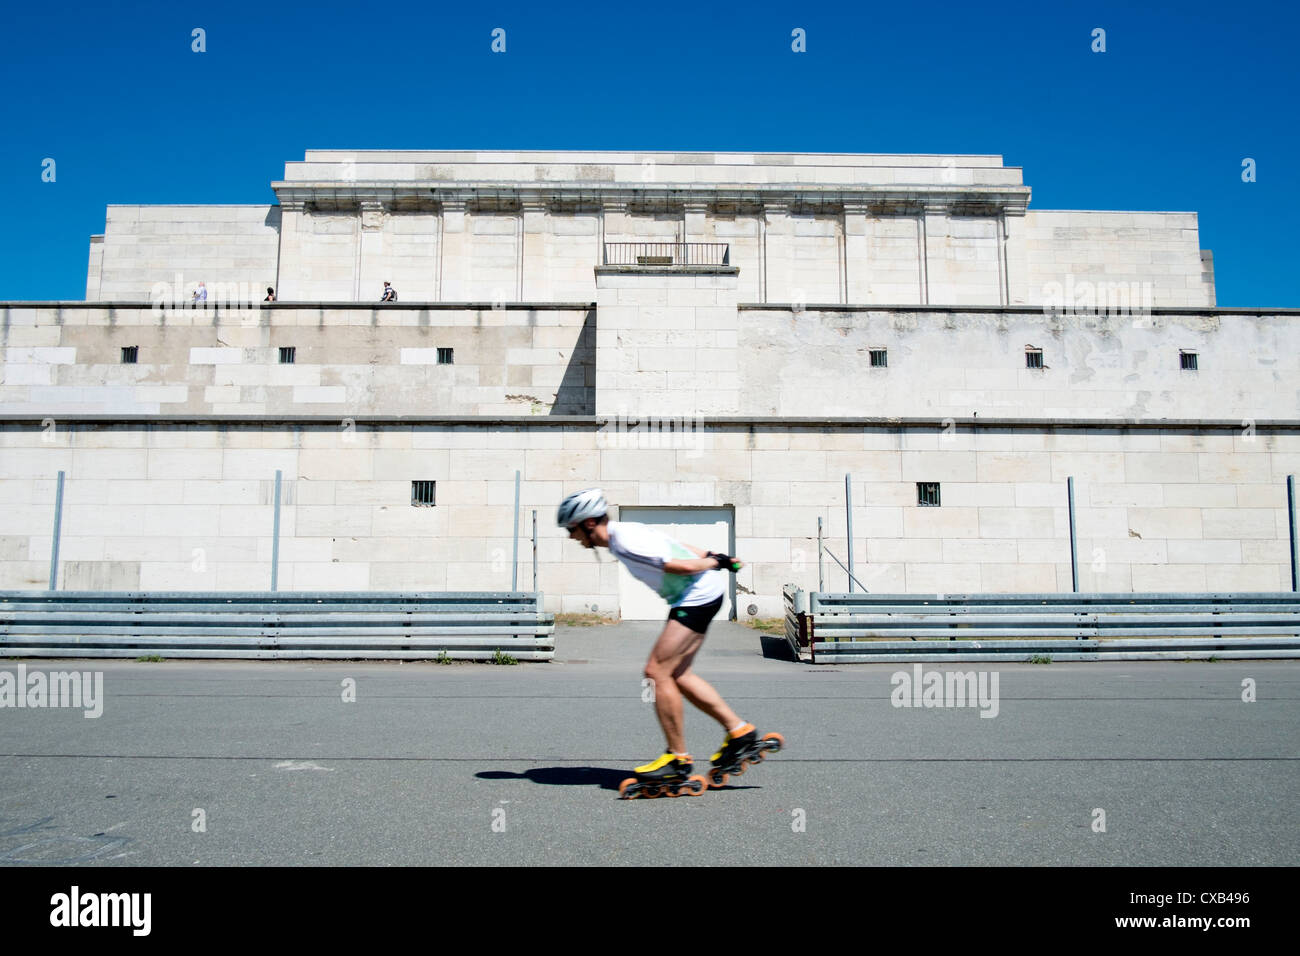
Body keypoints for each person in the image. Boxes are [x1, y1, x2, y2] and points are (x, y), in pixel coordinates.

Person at [557, 488, 766, 794]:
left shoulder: (623, 540)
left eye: (571, 530)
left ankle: (677, 762)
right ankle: (740, 733)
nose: (571, 537)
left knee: (656, 672)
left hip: (695, 597)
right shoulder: (623, 534)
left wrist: (714, 562)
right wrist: (713, 556)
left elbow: (675, 564)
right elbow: (677, 546)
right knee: (677, 674)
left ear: (588, 523)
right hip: (698, 595)